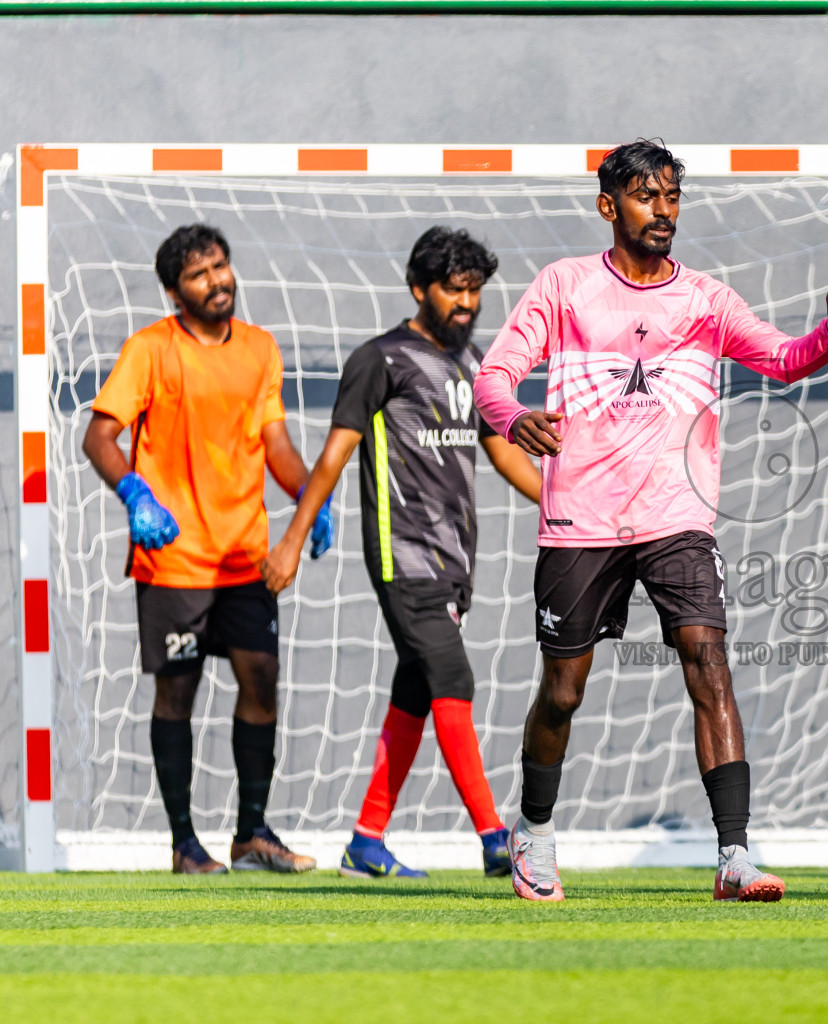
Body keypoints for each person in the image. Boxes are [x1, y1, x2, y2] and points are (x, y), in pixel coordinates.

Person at [474, 139, 828, 903]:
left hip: (679, 518)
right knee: (563, 692)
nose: (663, 210)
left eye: (671, 196)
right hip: (583, 520)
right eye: (645, 196)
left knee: (708, 662)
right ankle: (533, 830)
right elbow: (493, 377)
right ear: (609, 206)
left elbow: (785, 359)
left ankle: (735, 855)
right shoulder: (565, 287)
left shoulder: (706, 298)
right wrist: (513, 419)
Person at [262, 226, 541, 879]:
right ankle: (497, 838)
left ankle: (367, 842)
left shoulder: (474, 364)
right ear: (420, 290)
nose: (467, 303)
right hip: (402, 555)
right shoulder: (379, 360)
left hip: (455, 560)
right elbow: (333, 457)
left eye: (475, 291)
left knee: (416, 690)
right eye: (454, 290)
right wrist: (293, 542)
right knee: (453, 678)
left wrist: (563, 503)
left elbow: (501, 449)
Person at [82, 223, 330, 875]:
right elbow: (99, 437)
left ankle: (252, 834)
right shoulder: (149, 349)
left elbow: (275, 443)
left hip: (244, 555)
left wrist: (312, 495)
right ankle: (184, 844)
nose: (217, 281)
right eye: (199, 274)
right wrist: (135, 492)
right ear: (174, 291)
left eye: (220, 266)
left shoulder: (260, 348)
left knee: (261, 679)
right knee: (178, 693)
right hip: (175, 561)